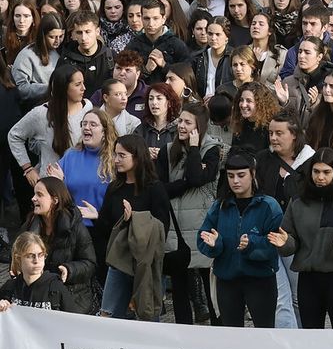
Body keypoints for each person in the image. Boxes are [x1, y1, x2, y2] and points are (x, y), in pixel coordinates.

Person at [268, 149, 333, 329]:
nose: (320, 177)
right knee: (311, 336)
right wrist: (284, 243)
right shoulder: (297, 202)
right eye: (316, 171)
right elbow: (291, 240)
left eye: (326, 172)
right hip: (309, 279)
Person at [197, 149, 283, 327]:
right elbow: (203, 237)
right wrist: (214, 244)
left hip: (260, 279)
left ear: (252, 175)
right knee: (231, 335)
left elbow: (275, 244)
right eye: (230, 176)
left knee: (264, 332)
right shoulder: (219, 206)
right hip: (227, 279)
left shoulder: (269, 205)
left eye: (241, 175)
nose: (235, 181)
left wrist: (252, 244)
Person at [95, 133, 172, 319]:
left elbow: (162, 227)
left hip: (145, 263)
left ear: (137, 157)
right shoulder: (114, 187)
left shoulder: (154, 188)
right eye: (115, 154)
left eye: (122, 155)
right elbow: (106, 227)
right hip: (119, 260)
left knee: (147, 315)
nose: (116, 160)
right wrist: (97, 217)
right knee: (108, 314)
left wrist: (134, 219)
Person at [161, 101, 222, 325]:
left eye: (188, 122)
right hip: (176, 226)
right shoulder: (168, 151)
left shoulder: (212, 150)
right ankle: (183, 333)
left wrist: (195, 149)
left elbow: (198, 178)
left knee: (209, 284)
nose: (181, 126)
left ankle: (217, 331)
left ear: (200, 126)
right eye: (180, 121)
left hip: (202, 223)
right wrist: (185, 182)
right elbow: (161, 188)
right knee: (179, 287)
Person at [19, 177, 96, 312]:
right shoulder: (29, 224)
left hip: (72, 297)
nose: (33, 198)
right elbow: (16, 253)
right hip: (37, 295)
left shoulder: (76, 228)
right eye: (34, 194)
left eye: (39, 195)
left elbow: (90, 263)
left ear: (55, 200)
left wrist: (69, 269)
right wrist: (16, 266)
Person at [0, 233, 83, 312]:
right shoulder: (10, 287)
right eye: (30, 256)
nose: (36, 261)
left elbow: (76, 320)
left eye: (41, 255)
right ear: (18, 259)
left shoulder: (55, 287)